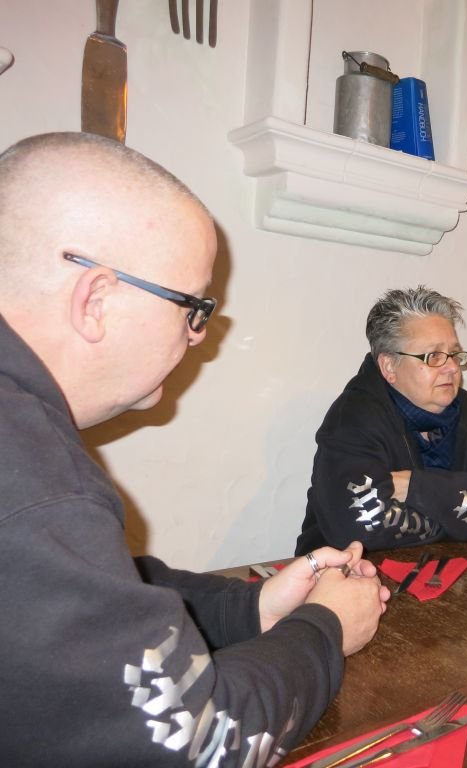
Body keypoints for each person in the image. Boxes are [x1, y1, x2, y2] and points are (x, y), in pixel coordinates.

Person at [0, 132, 390, 766]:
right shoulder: (38, 489)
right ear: (96, 300)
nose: (198, 335)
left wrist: (251, 607)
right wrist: (324, 627)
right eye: (192, 307)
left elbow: (97, 590)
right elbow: (202, 744)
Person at [295, 287, 467, 554]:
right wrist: (464, 520)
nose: (452, 368)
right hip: (345, 574)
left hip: (453, 572)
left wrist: (417, 488)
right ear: (389, 366)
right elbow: (362, 529)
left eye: (454, 354)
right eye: (433, 356)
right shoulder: (353, 418)